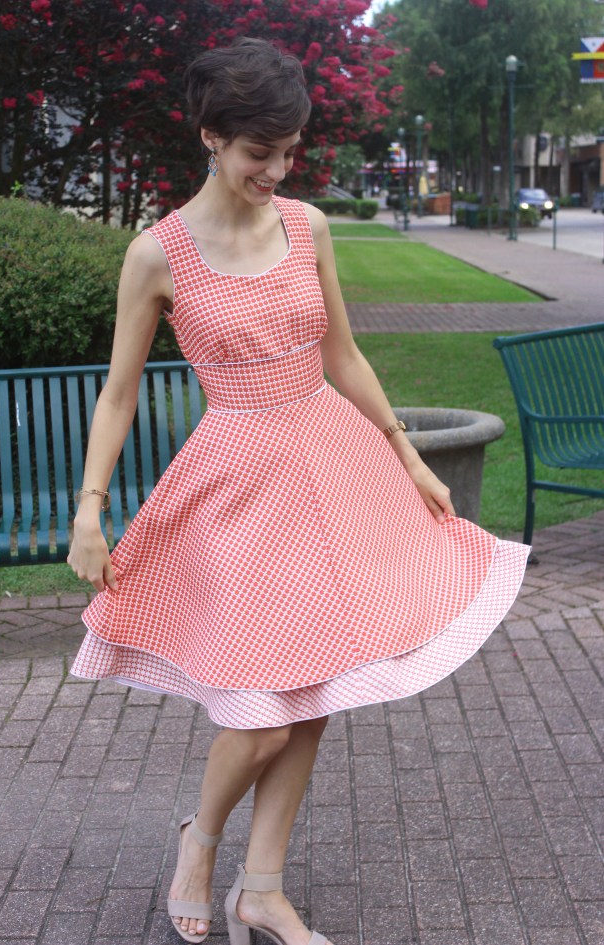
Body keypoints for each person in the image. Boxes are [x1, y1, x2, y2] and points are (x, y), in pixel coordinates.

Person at [68, 37, 529, 945]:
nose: (276, 171)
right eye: (258, 153)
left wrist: (406, 454)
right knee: (261, 712)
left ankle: (263, 885)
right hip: (239, 488)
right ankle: (199, 844)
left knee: (314, 692)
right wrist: (89, 510)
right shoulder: (156, 254)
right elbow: (117, 392)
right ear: (210, 136)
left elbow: (341, 353)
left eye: (288, 152)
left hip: (333, 463)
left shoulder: (306, 226)